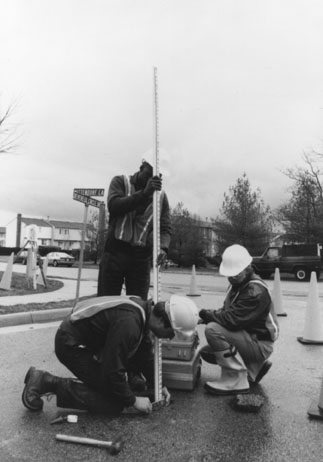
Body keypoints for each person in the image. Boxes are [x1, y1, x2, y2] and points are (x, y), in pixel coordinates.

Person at [22, 294, 199, 415]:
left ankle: (48, 381)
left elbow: (144, 354)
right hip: (70, 345)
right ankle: (46, 381)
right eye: (171, 333)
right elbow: (112, 370)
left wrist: (159, 384)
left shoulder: (143, 310)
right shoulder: (129, 324)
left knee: (121, 389)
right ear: (161, 320)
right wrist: (132, 401)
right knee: (114, 401)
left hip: (82, 340)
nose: (169, 338)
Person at [199, 244, 279, 395]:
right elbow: (228, 312)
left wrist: (207, 315)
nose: (232, 277)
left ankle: (235, 380)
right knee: (208, 352)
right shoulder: (240, 284)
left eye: (235, 273)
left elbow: (232, 320)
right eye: (230, 274)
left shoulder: (254, 291)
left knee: (212, 330)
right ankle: (254, 367)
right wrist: (204, 317)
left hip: (260, 344)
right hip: (253, 338)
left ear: (247, 267)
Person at [97, 159, 172, 301]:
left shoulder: (161, 197)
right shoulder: (120, 182)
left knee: (138, 306)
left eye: (158, 176)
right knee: (106, 304)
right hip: (115, 252)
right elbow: (114, 205)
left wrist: (163, 247)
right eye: (149, 174)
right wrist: (144, 193)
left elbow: (165, 228)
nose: (153, 179)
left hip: (140, 258)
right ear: (141, 168)